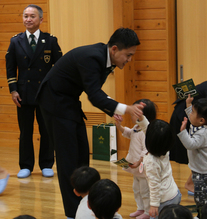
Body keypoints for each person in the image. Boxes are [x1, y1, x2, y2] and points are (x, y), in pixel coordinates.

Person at [36, 27, 143, 218]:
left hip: (69, 102)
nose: (129, 60)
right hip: (54, 103)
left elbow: (95, 92)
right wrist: (125, 108)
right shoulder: (92, 58)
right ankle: (72, 214)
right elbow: (94, 95)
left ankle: (86, 205)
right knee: (68, 160)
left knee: (82, 156)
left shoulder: (105, 57)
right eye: (128, 55)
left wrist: (113, 109)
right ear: (115, 49)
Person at [5, 4, 62, 178]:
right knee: (25, 131)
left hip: (44, 93)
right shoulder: (16, 41)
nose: (28, 19)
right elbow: (10, 68)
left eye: (32, 16)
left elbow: (59, 67)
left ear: (41, 19)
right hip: (23, 93)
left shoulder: (50, 40)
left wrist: (54, 90)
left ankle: (46, 164)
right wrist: (13, 90)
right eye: (25, 16)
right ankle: (26, 166)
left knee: (46, 130)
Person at [114, 99, 157, 219]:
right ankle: (141, 208)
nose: (130, 115)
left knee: (144, 191)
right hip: (135, 167)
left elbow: (146, 149)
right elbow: (129, 133)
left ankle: (148, 212)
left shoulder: (145, 132)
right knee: (136, 189)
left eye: (133, 113)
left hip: (142, 167)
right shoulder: (136, 127)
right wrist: (119, 126)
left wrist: (139, 162)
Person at [177, 96, 207, 216]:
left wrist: (182, 131)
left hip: (203, 172)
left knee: (201, 197)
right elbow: (193, 118)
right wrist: (189, 105)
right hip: (199, 169)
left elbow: (190, 144)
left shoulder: (203, 133)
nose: (191, 114)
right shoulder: (200, 124)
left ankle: (204, 214)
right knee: (200, 194)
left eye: (193, 112)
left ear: (201, 120)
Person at [142, 119, 181, 219]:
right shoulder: (165, 149)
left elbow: (154, 184)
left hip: (164, 201)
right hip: (175, 193)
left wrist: (154, 204)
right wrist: (141, 118)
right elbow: (149, 131)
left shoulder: (151, 161)